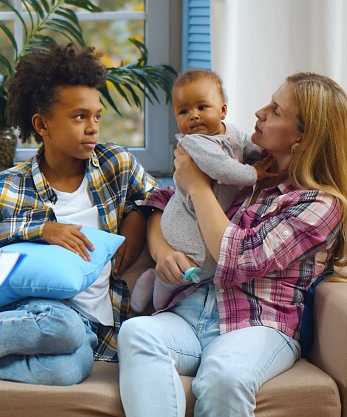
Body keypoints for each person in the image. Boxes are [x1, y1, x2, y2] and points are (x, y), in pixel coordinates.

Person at [118, 71, 347, 417]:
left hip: (259, 323)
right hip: (189, 314)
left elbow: (240, 258)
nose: (259, 112)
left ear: (301, 139)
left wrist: (198, 187)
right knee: (137, 332)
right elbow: (163, 200)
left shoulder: (319, 204)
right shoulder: (240, 165)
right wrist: (162, 251)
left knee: (224, 377)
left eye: (275, 110)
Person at [0, 43, 156, 385]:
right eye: (79, 117)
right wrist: (39, 230)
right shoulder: (3, 188)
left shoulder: (115, 164)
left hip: (92, 330)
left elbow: (157, 198)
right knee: (62, 325)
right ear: (42, 125)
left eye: (96, 116)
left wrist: (136, 217)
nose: (93, 128)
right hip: (37, 313)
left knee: (68, 370)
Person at [130, 69, 273, 313]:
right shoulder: (194, 143)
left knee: (205, 263)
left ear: (223, 111)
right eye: (183, 111)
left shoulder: (233, 133)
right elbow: (224, 170)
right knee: (198, 264)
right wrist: (256, 173)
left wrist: (264, 156)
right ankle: (159, 290)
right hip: (185, 217)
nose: (193, 116)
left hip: (202, 212)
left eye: (202, 107)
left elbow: (248, 147)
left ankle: (154, 278)